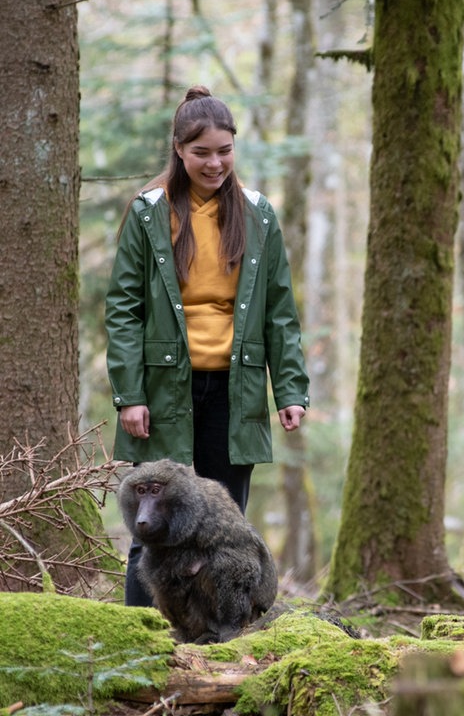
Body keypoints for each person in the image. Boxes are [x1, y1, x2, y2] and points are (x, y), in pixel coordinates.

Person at [105, 85, 310, 606]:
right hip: (164, 389)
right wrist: (130, 395)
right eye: (201, 152)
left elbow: (280, 312)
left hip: (235, 390)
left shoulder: (258, 214)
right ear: (178, 149)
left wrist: (290, 390)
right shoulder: (150, 213)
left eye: (224, 150)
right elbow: (124, 309)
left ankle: (220, 642)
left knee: (226, 531)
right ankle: (141, 639)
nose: (214, 163)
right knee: (152, 529)